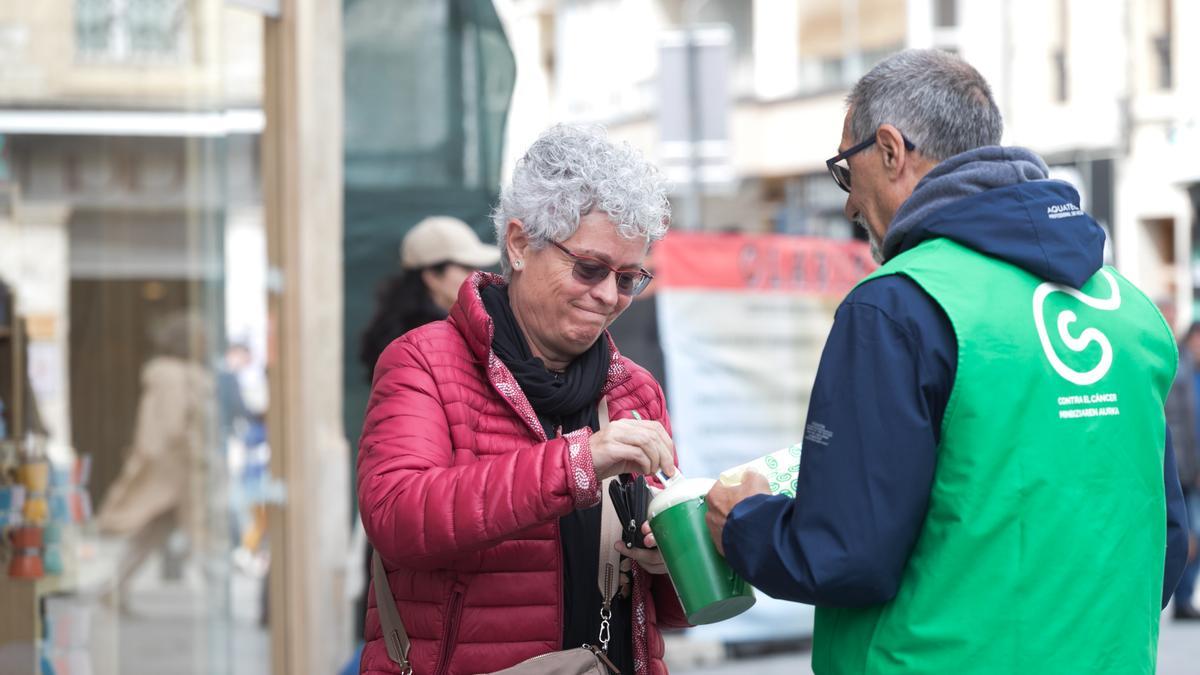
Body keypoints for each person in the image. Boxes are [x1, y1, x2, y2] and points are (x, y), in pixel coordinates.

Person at [703, 49, 1189, 673]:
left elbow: (844, 554)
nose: (849, 205)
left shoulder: (897, 306)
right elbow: (1163, 541)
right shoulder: (1130, 312)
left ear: (890, 150)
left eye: (844, 173)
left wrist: (742, 522)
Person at [357, 124, 688, 675]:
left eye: (629, 278)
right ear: (518, 243)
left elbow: (674, 613)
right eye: (589, 268)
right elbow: (397, 518)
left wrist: (672, 550)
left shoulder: (636, 390)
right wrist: (580, 461)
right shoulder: (422, 362)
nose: (608, 295)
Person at [351, 215, 500, 642]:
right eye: (463, 268)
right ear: (431, 274)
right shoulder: (418, 344)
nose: (477, 279)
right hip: (428, 506)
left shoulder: (408, 330)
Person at [96, 311, 214, 610]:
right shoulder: (174, 376)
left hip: (175, 468)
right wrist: (197, 451)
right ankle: (215, 597)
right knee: (200, 534)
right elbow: (173, 425)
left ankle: (114, 588)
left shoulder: (170, 374)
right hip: (178, 470)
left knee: (151, 535)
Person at [1168, 321, 1200, 619]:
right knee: (1187, 534)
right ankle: (1181, 598)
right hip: (1182, 468)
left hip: (1191, 466)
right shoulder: (1180, 371)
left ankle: (1184, 597)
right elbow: (1180, 428)